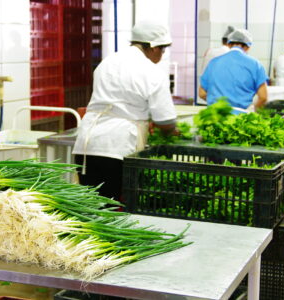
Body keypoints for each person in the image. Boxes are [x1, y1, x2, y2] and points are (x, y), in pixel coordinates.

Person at [72, 20, 178, 201]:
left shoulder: (107, 63)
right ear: (153, 47)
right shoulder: (151, 72)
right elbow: (165, 120)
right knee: (113, 207)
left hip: (87, 144)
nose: (162, 55)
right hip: (117, 148)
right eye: (162, 50)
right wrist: (174, 132)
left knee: (90, 206)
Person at [199, 28, 268, 112]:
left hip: (214, 115)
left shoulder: (213, 62)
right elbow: (263, 97)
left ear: (229, 44)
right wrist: (253, 111)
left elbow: (202, 93)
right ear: (248, 47)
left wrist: (219, 106)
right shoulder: (255, 65)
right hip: (239, 118)